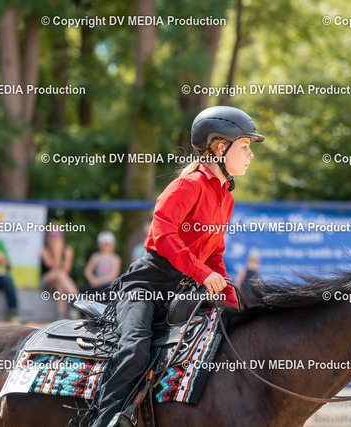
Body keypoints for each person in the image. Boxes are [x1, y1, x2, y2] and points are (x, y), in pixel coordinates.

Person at [92, 105, 264, 427]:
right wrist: (202, 274)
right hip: (147, 285)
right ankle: (104, 421)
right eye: (245, 146)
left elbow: (214, 256)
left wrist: (233, 302)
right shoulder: (188, 185)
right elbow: (163, 235)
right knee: (135, 350)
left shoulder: (226, 198)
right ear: (220, 148)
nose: (250, 154)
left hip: (186, 292)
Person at [41, 228, 79, 319]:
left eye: (57, 235)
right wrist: (57, 253)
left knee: (60, 284)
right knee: (58, 274)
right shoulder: (44, 251)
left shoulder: (68, 250)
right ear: (48, 237)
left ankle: (61, 315)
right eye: (52, 235)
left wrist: (64, 254)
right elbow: (53, 267)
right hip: (47, 280)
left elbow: (66, 271)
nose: (55, 238)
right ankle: (76, 299)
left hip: (59, 280)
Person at [82, 231, 122, 299]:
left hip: (109, 286)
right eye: (104, 245)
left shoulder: (116, 258)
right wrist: (92, 279)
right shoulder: (95, 256)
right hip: (96, 286)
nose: (106, 247)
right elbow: (87, 271)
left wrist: (99, 281)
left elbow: (114, 275)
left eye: (108, 244)